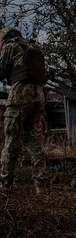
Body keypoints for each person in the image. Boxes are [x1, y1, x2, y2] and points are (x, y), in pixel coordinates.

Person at [0, 27, 49, 196]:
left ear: (4, 38)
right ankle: (41, 187)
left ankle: (5, 186)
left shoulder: (9, 47)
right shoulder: (33, 48)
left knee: (11, 141)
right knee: (36, 144)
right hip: (39, 98)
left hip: (19, 98)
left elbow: (1, 71)